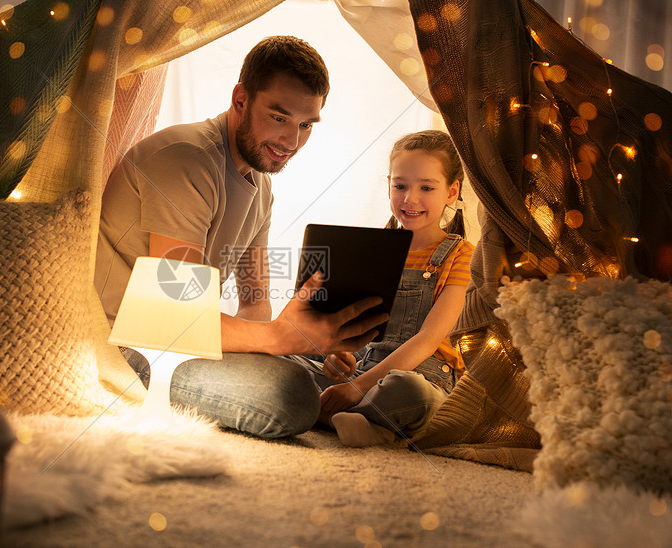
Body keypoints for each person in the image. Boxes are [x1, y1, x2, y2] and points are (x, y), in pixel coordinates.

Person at [96, 36, 387, 438]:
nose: (291, 141)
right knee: (290, 394)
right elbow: (171, 316)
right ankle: (318, 408)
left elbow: (254, 302)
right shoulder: (186, 161)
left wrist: (309, 341)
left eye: (306, 125)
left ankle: (331, 402)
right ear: (240, 99)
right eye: (279, 117)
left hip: (183, 340)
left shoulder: (261, 188)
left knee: (344, 380)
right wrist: (280, 340)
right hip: (129, 346)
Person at [290, 129, 475, 447]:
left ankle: (323, 414)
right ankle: (366, 425)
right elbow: (349, 325)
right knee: (286, 359)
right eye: (400, 185)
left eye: (426, 187)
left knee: (407, 392)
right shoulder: (372, 248)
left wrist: (357, 389)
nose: (410, 199)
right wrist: (340, 355)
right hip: (362, 369)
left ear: (451, 191)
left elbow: (429, 339)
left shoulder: (461, 254)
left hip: (422, 377)